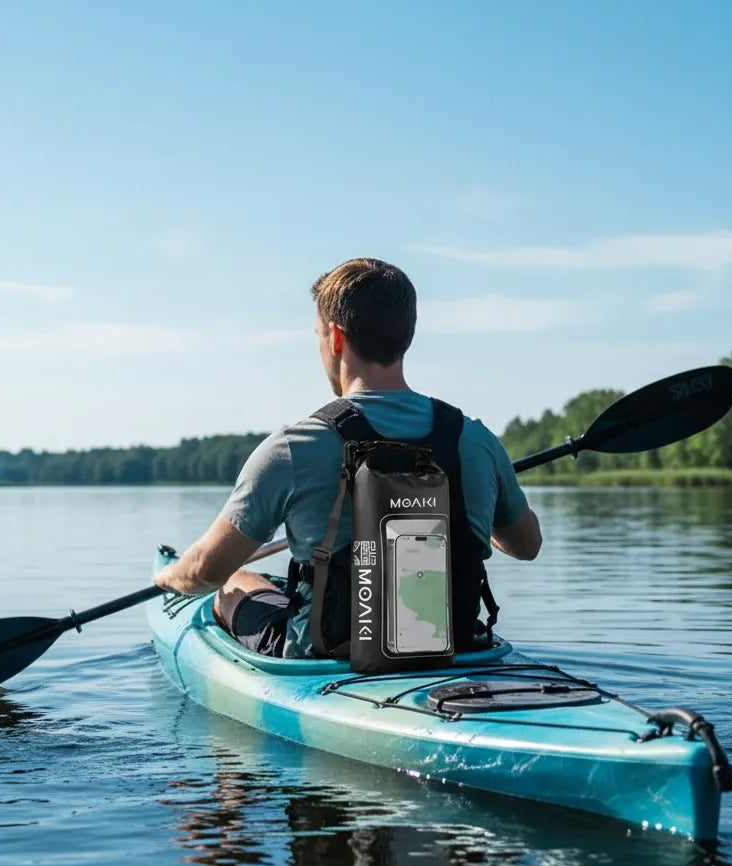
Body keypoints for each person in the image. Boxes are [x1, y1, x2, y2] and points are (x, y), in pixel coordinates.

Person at [153, 258, 542, 658]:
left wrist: (169, 576)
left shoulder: (293, 448)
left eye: (319, 335)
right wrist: (475, 504)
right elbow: (527, 545)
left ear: (336, 337)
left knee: (233, 584)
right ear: (405, 334)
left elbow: (205, 570)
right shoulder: (476, 441)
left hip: (327, 653)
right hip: (457, 646)